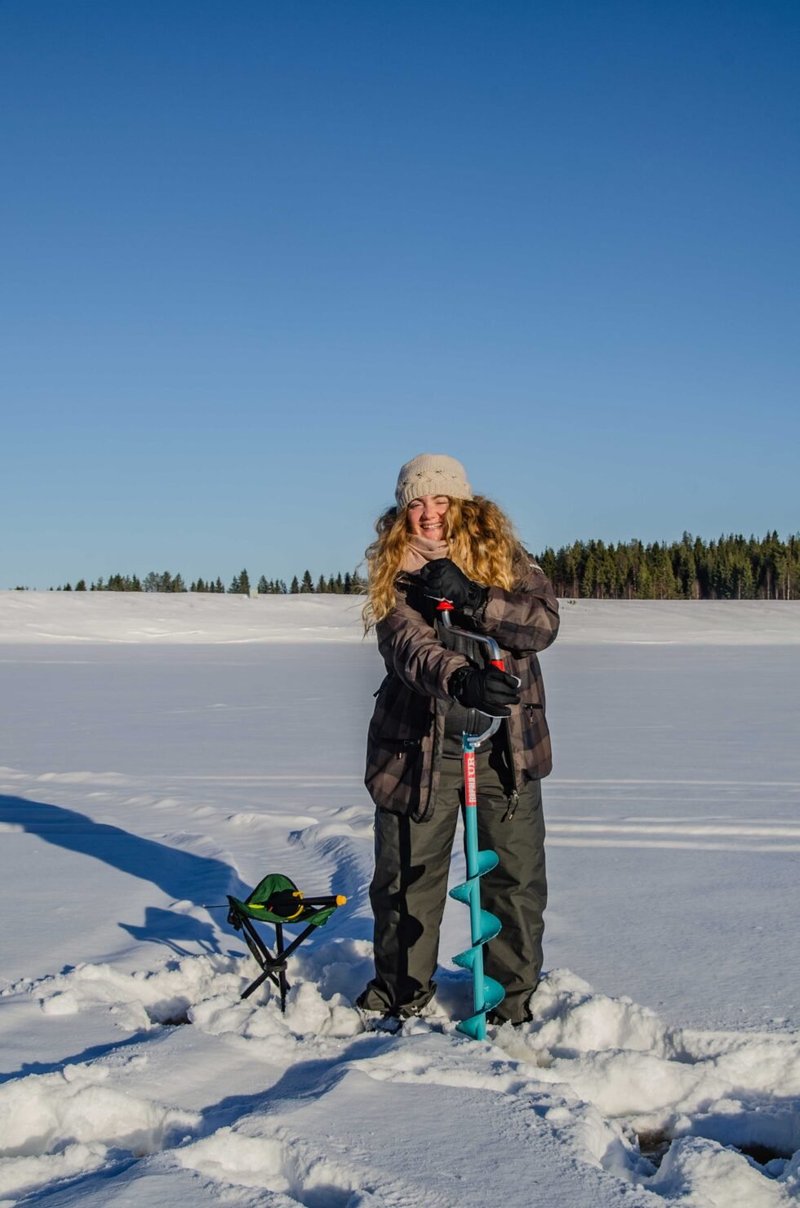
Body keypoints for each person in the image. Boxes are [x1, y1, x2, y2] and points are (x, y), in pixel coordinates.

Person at [357, 453, 560, 1027]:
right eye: (415, 502)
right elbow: (407, 646)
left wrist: (475, 599)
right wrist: (461, 677)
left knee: (514, 880)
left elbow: (542, 624)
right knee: (407, 880)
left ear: (462, 502)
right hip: (420, 748)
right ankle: (401, 995)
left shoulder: (505, 559)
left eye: (440, 500)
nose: (428, 514)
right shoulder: (396, 571)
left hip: (507, 748)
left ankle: (510, 1001)